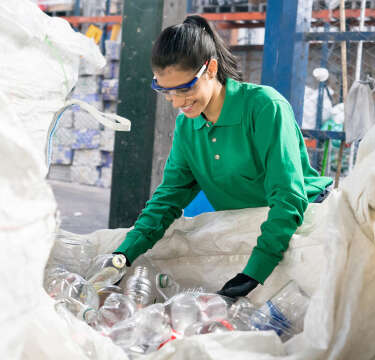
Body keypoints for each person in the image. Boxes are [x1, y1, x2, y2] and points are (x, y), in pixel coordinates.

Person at [114, 15, 332, 298]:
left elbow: (287, 197)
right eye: (166, 91)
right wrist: (122, 255)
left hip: (302, 224)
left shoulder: (264, 107)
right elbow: (167, 199)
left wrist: (254, 270)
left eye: (185, 88)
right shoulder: (188, 125)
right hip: (249, 228)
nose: (178, 102)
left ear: (211, 69)